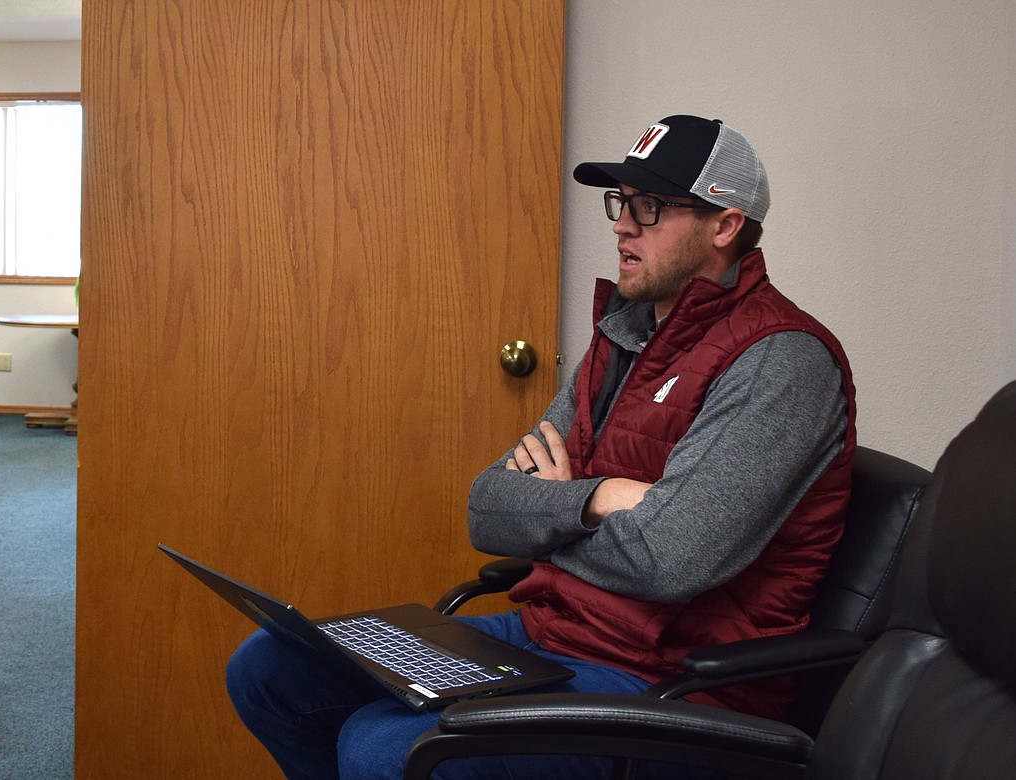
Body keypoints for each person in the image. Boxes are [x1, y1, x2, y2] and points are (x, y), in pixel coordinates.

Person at [226, 114, 856, 779]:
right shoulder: (625, 338)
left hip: (670, 682)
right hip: (555, 635)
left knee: (383, 746)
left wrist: (550, 512)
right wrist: (598, 500)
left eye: (649, 208)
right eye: (620, 204)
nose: (620, 225)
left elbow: (672, 559)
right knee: (270, 667)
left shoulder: (781, 361)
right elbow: (486, 508)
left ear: (724, 226)